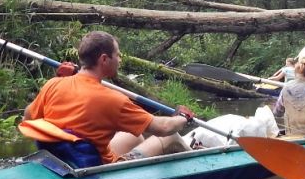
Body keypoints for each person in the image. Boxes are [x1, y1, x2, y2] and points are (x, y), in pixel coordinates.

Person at [23, 30, 193, 166]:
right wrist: (182, 117)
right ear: (104, 59)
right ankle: (198, 167)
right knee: (171, 137)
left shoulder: (54, 83)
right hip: (97, 168)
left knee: (134, 136)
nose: (119, 60)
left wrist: (61, 79)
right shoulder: (113, 100)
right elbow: (163, 128)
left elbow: (28, 117)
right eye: (117, 55)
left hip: (60, 160)